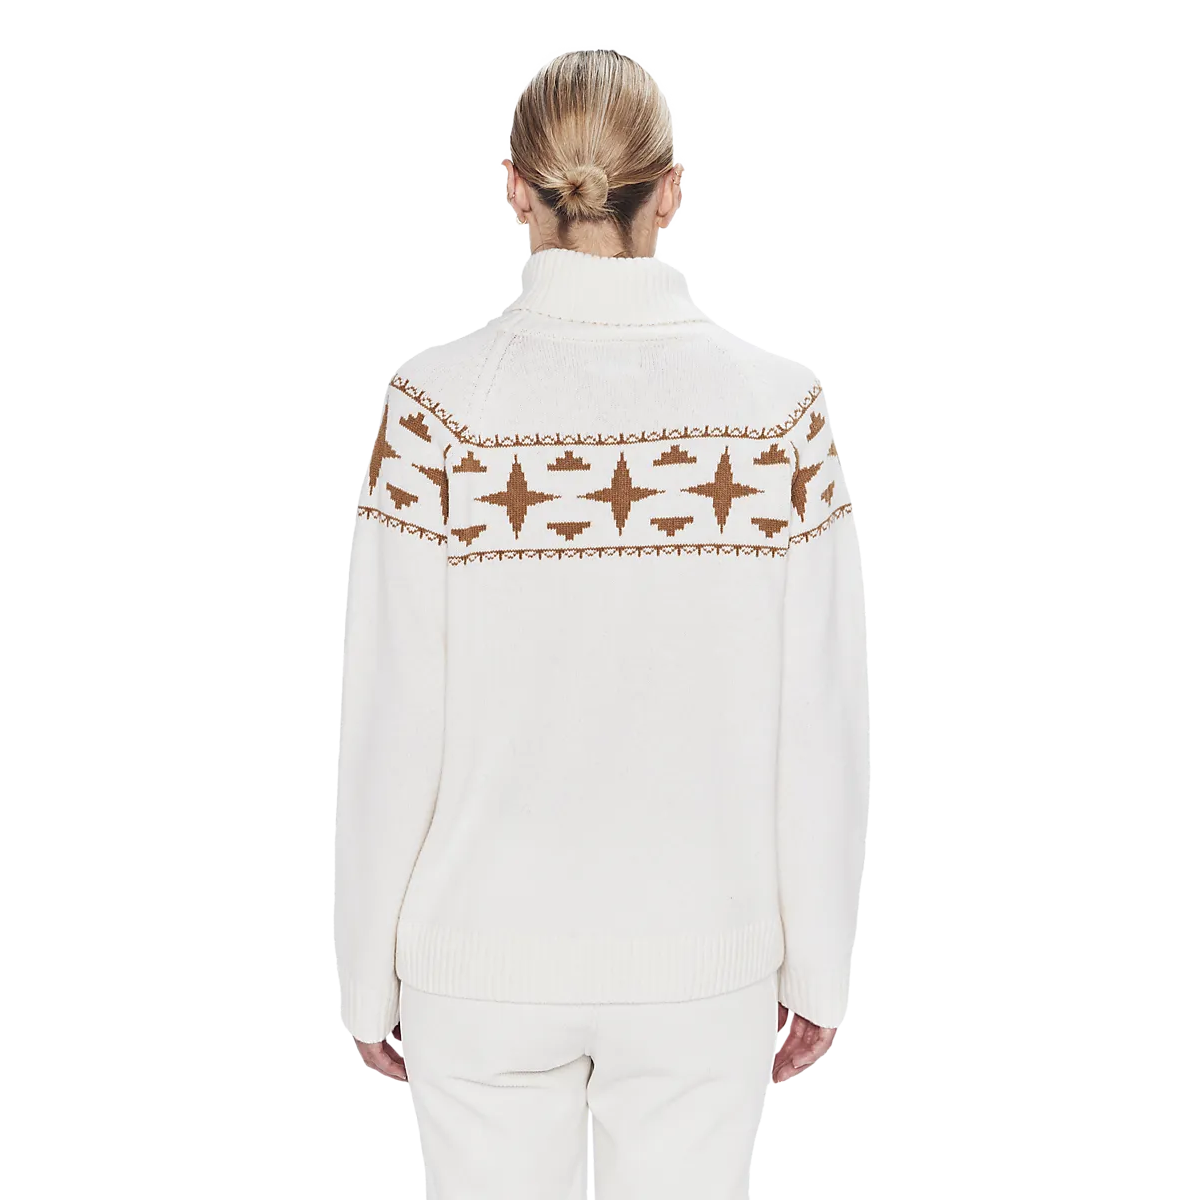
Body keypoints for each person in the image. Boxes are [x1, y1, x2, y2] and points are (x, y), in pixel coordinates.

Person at [336, 47, 870, 1200]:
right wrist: (821, 967)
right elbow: (821, 715)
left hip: (476, 963)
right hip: (705, 962)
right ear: (671, 190)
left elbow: (390, 712)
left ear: (513, 188)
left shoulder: (434, 413)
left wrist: (363, 975)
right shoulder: (781, 415)